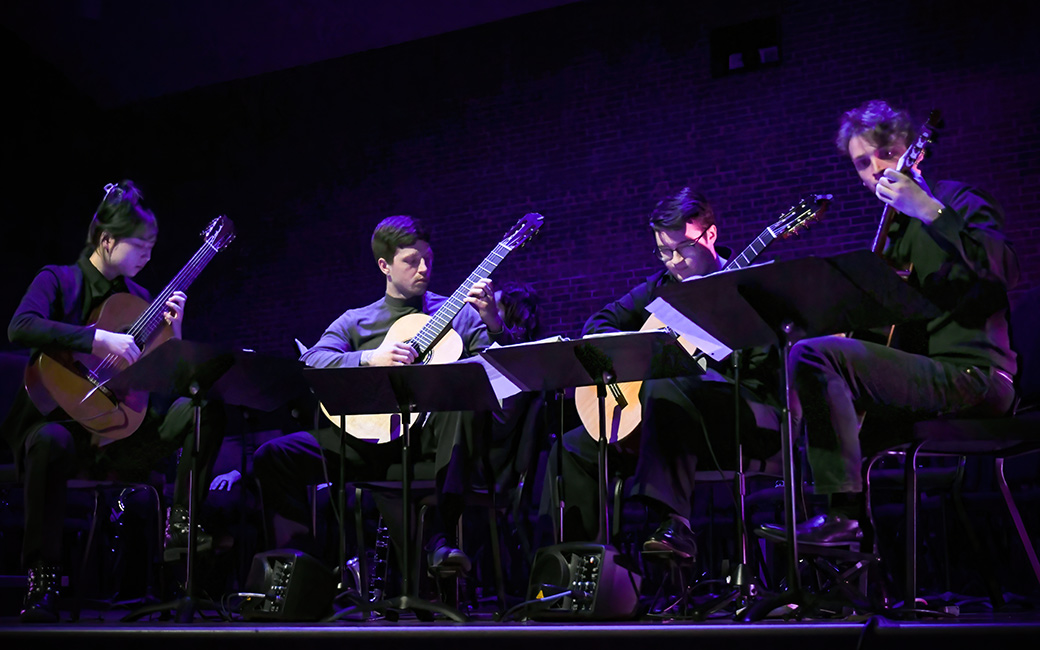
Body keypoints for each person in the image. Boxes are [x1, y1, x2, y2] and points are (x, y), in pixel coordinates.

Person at [759, 99, 1018, 544]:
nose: (876, 167)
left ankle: (843, 521)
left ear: (909, 148)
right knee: (817, 399)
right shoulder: (890, 239)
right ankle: (849, 572)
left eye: (884, 152)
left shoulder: (953, 200)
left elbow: (1006, 270)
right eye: (863, 162)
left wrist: (929, 211)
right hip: (920, 382)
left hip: (975, 374)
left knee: (817, 359)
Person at [2, 180, 227, 622]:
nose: (148, 254)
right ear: (106, 240)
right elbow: (20, 326)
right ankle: (43, 577)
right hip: (59, 427)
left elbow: (160, 387)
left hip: (118, 434)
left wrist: (173, 339)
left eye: (153, 245)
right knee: (50, 441)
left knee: (202, 409)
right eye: (140, 245)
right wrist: (96, 338)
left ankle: (179, 521)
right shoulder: (59, 280)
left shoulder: (142, 301)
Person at [253, 215, 525, 580]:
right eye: (411, 261)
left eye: (428, 258)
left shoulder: (460, 314)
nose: (424, 268)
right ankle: (302, 570)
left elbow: (503, 374)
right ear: (384, 265)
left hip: (430, 446)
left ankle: (440, 539)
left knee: (457, 391)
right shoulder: (357, 320)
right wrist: (369, 358)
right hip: (363, 444)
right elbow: (312, 360)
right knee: (274, 456)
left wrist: (493, 324)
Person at [542, 188, 782, 560]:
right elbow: (598, 323)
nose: (674, 261)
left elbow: (765, 370)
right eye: (663, 251)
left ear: (710, 235)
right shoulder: (660, 288)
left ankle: (673, 524)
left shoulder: (750, 285)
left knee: (670, 384)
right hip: (665, 418)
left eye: (682, 248)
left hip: (739, 412)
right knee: (571, 447)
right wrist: (635, 352)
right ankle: (578, 565)